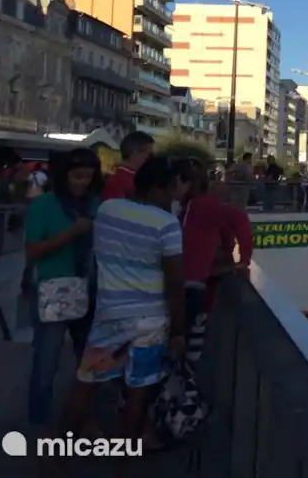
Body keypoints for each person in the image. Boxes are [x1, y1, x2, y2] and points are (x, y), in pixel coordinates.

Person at [61, 156, 187, 452]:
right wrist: (178, 330)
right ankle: (121, 466)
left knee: (86, 382)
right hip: (150, 321)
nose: (172, 196)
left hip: (109, 315)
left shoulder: (107, 209)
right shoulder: (166, 224)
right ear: (158, 188)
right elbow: (175, 281)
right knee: (137, 394)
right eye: (169, 190)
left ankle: (57, 462)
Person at [23, 148, 102, 433]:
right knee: (46, 363)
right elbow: (32, 252)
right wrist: (73, 233)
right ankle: (39, 421)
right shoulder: (43, 206)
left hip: (88, 291)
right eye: (76, 176)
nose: (81, 182)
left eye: (88, 177)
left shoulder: (96, 205)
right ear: (63, 175)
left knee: (90, 363)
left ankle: (85, 418)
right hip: (51, 292)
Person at [176, 159, 253, 373]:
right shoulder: (192, 206)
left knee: (189, 341)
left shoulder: (200, 206)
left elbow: (240, 220)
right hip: (197, 282)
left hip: (193, 284)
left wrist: (244, 259)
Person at [102, 131, 156, 201]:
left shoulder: (117, 173)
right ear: (135, 151)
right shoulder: (120, 179)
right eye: (148, 152)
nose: (150, 157)